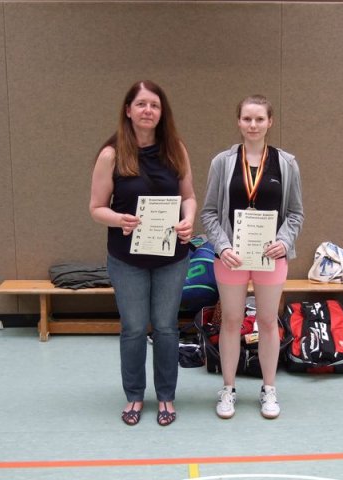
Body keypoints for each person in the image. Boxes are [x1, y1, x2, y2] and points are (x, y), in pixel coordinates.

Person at [89, 80, 196, 426]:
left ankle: (166, 396)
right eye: (141, 104)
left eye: (154, 105)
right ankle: (134, 395)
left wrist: (188, 219)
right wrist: (118, 219)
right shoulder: (111, 154)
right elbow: (96, 208)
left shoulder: (175, 150)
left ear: (162, 112)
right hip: (127, 260)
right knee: (134, 328)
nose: (148, 110)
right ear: (128, 110)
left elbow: (189, 197)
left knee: (166, 327)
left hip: (171, 258)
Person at [200, 94, 304, 419]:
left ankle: (269, 388)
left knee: (268, 321)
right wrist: (222, 246)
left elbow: (296, 213)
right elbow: (209, 213)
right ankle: (228, 388)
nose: (253, 125)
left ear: (270, 122)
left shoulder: (286, 164)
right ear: (239, 122)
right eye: (247, 119)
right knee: (231, 321)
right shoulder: (222, 162)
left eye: (260, 119)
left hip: (270, 258)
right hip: (231, 257)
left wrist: (284, 242)